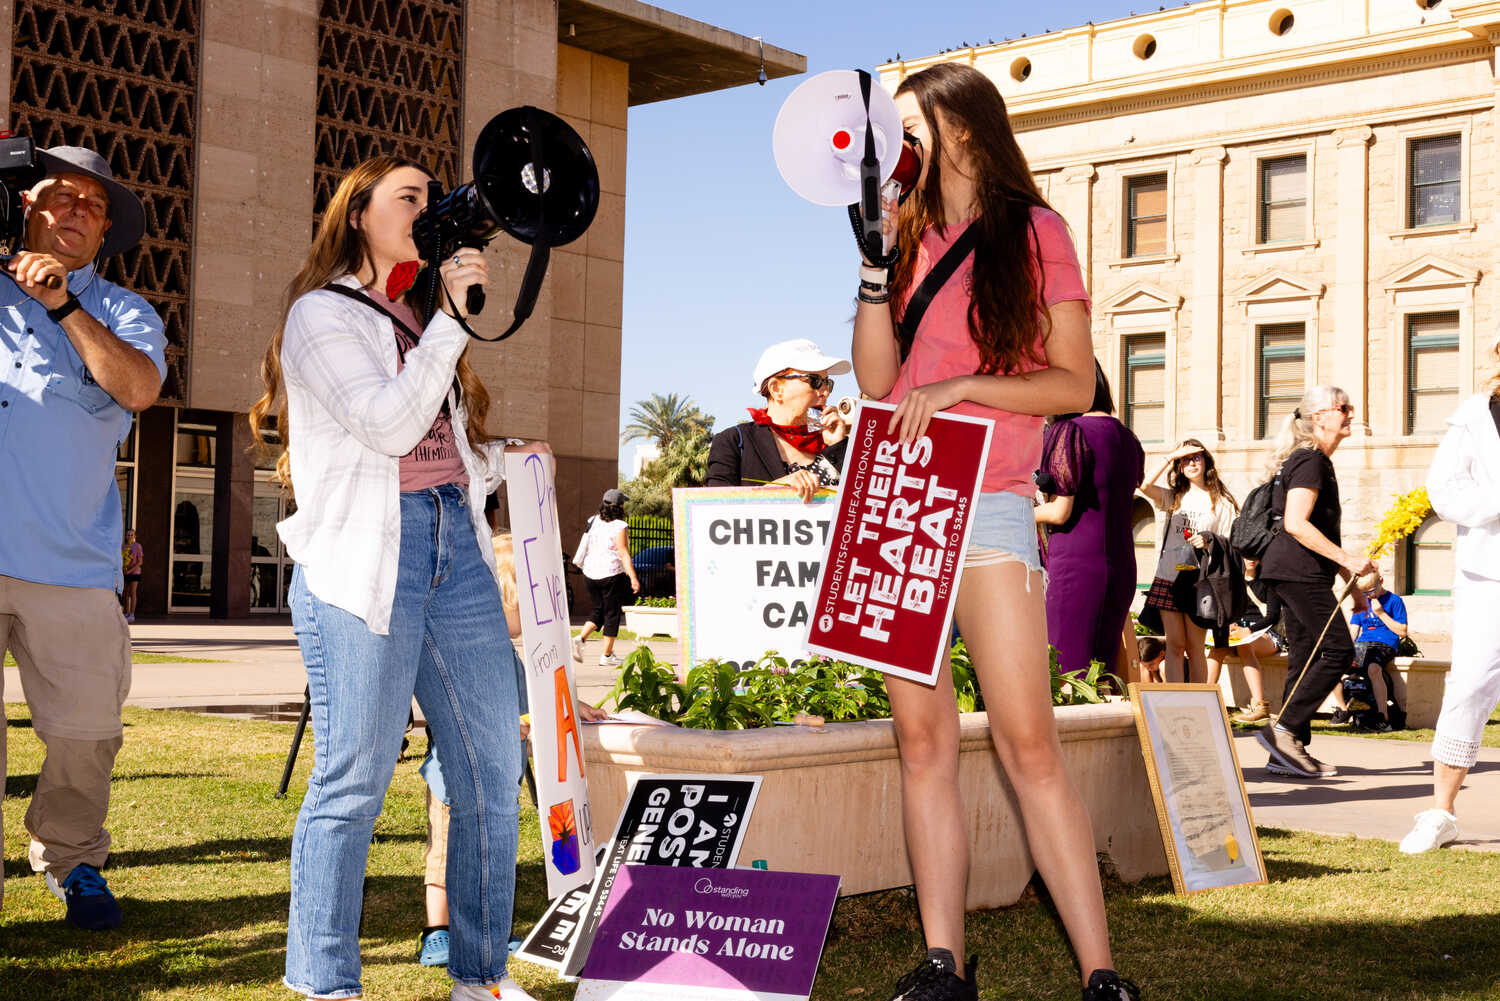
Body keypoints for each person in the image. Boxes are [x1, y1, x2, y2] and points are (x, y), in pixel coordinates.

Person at [850, 63, 1138, 1001]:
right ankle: (945, 963)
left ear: (963, 126)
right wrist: (867, 274)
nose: (899, 142)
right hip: (894, 501)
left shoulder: (1038, 231)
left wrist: (966, 386)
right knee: (921, 742)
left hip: (990, 496)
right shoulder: (899, 228)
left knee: (1027, 742)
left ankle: (1100, 974)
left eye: (911, 125)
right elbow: (875, 384)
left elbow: (1074, 385)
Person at [249, 155, 543, 1001]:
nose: (427, 207)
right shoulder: (319, 314)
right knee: (355, 773)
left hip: (455, 542)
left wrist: (499, 457)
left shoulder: (415, 316)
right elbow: (385, 422)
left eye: (429, 196)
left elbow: (433, 444)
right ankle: (325, 981)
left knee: (490, 764)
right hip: (367, 556)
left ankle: (479, 976)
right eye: (407, 197)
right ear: (358, 214)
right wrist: (450, 316)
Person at [0, 146, 164, 930]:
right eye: (59, 197)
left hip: (73, 566)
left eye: (92, 207)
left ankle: (72, 860)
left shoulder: (127, 313)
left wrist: (66, 307)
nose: (74, 212)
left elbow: (137, 386)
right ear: (26, 204)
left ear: (104, 234)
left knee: (85, 735)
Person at [418, 534, 604, 968]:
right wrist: (516, 726)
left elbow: (533, 698)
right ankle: (436, 933)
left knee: (484, 857)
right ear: (501, 599)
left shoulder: (509, 654)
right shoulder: (469, 654)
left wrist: (571, 706)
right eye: (527, 603)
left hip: (498, 776)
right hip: (455, 781)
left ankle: (482, 933)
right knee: (445, 858)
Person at [1399, 344, 1500, 853]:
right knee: (1471, 683)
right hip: (1490, 574)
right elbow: (1444, 490)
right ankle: (1441, 812)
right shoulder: (1474, 418)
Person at [1253, 386, 1376, 780]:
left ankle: (1287, 753)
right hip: (1295, 569)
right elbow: (1295, 523)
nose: (1352, 413)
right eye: (1345, 407)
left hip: (1295, 569)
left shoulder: (1311, 460)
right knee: (1338, 650)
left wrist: (1350, 582)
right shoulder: (1310, 461)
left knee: (1305, 658)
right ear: (1320, 416)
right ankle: (1284, 732)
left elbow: (1321, 532)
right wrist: (1349, 561)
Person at [1033, 362, 1145, 676]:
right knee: (1100, 673)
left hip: (1075, 566)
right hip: (1121, 566)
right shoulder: (1127, 437)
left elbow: (1059, 512)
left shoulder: (1069, 432)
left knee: (1066, 673)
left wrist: (1015, 515)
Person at [1137, 440, 1239, 683]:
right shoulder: (1174, 497)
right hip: (1169, 577)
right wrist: (1170, 456)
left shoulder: (1222, 503)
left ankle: (1199, 701)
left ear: (1206, 462)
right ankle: (1176, 699)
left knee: (1195, 647)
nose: (1191, 463)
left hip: (1200, 581)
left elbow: (1232, 544)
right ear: (1179, 466)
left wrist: (1209, 541)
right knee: (1174, 645)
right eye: (1186, 459)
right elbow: (1143, 485)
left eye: (1196, 457)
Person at [705, 338, 853, 501]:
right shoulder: (734, 442)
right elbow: (714, 510)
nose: (825, 392)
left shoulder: (837, 444)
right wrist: (776, 491)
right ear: (776, 389)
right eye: (814, 381)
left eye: (827, 383)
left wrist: (839, 448)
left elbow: (867, 508)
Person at [571, 488, 640, 668]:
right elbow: (623, 553)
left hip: (590, 574)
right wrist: (633, 577)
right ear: (620, 507)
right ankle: (607, 655)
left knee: (599, 610)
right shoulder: (619, 526)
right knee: (611, 614)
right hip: (610, 575)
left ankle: (580, 638)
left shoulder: (593, 521)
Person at [1345, 572, 1409, 731]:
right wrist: (1345, 649)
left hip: (1385, 642)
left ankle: (1383, 715)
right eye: (1364, 593)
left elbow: (1402, 632)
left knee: (1374, 668)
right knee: (1336, 665)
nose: (1368, 595)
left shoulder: (1394, 601)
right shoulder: (1362, 602)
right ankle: (1347, 710)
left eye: (1371, 591)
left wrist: (1380, 612)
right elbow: (1354, 630)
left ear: (1381, 581)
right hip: (1363, 643)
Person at [122, 528, 144, 622]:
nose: (130, 536)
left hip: (134, 572)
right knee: (125, 593)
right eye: (128, 535)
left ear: (134, 536)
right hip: (125, 572)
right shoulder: (123, 547)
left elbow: (140, 562)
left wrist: (130, 571)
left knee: (132, 593)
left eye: (132, 535)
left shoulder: (137, 546)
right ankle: (126, 613)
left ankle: (132, 614)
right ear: (126, 536)